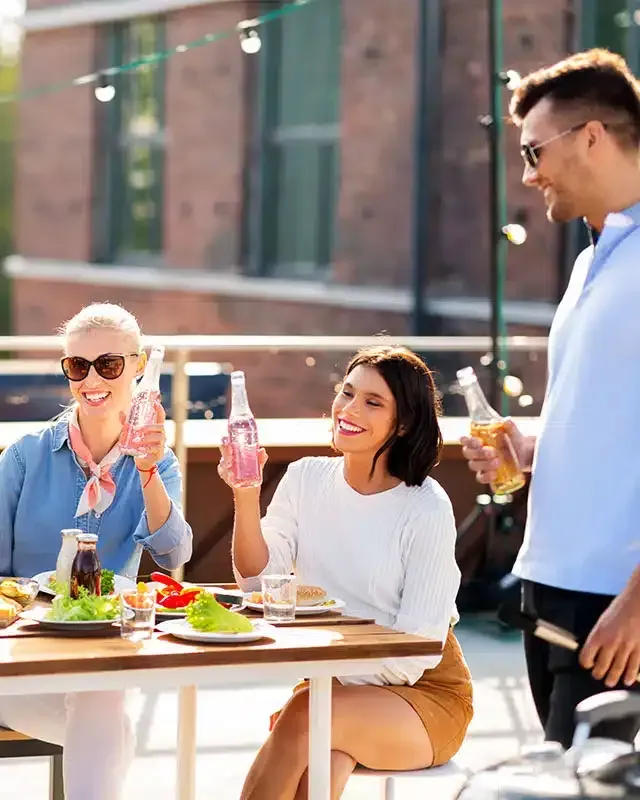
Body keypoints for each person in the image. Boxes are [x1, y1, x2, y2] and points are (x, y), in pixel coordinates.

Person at [461, 49, 640, 748]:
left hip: (617, 607)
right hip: (550, 587)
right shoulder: (592, 260)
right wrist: (533, 450)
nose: (529, 174)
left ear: (592, 136)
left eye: (536, 150)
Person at [219, 345, 473, 800]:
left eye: (373, 402)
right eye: (347, 393)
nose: (349, 409)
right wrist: (245, 491)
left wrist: (321, 695)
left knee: (305, 720)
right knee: (321, 761)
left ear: (404, 423)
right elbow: (259, 582)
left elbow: (416, 651)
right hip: (332, 685)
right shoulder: (305, 477)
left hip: (424, 694)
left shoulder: (425, 507)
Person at [0, 302, 193, 800]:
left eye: (108, 364)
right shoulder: (25, 456)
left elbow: (174, 555)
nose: (92, 379)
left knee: (103, 698)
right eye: (77, 366)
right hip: (20, 664)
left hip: (101, 659)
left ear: (138, 366)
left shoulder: (156, 460)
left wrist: (149, 472)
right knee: (112, 721)